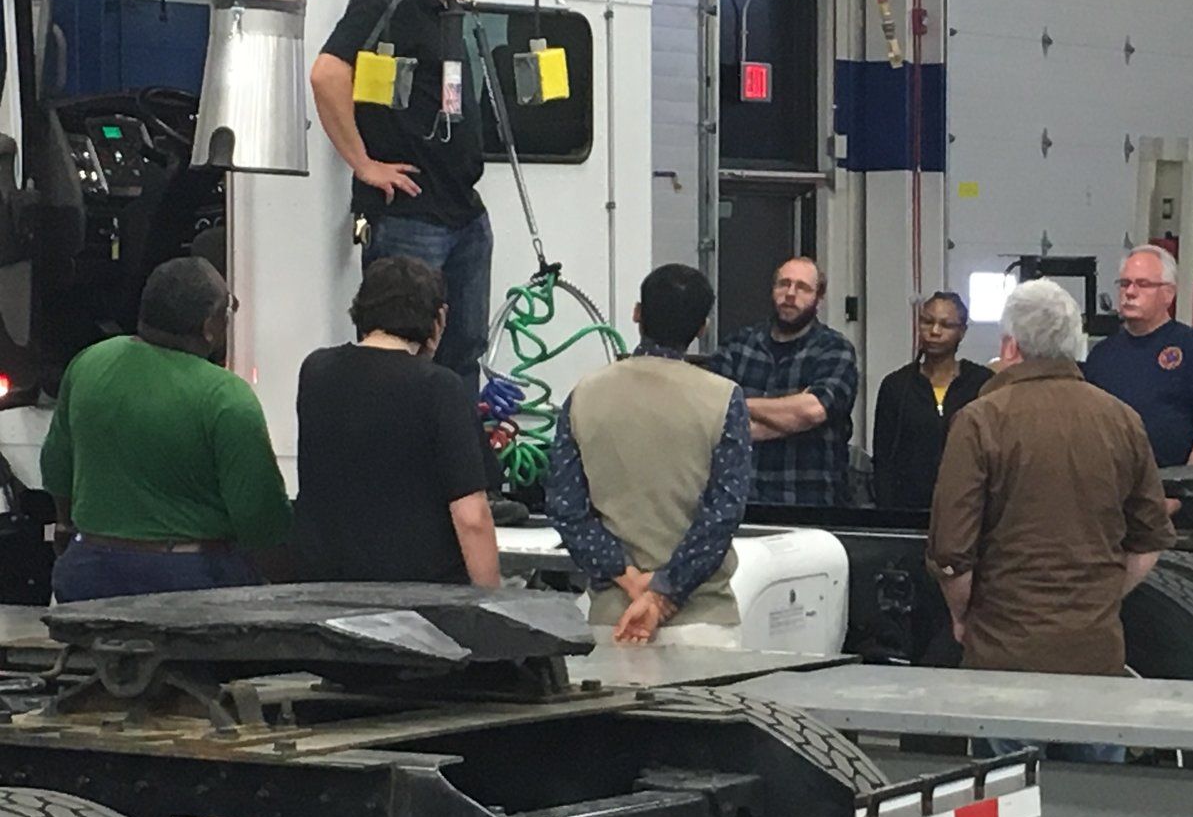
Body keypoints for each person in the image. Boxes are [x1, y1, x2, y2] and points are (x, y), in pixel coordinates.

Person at [927, 278, 1176, 817]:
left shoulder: (982, 420)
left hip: (1002, 656)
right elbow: (1150, 542)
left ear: (1010, 346)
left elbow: (952, 551)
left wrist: (966, 615)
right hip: (1094, 656)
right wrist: (1098, 597)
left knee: (998, 813)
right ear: (1076, 344)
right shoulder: (1120, 418)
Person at [311, 0, 503, 393]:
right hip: (409, 216)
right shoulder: (386, 1)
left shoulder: (449, 13)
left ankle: (454, 450)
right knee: (397, 354)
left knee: (463, 353)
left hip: (463, 212)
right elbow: (328, 74)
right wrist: (363, 164)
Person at [41, 258, 290, 601]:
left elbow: (56, 465)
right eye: (227, 309)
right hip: (191, 582)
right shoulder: (225, 397)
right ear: (208, 326)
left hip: (89, 571)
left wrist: (66, 525)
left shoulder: (89, 364)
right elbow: (260, 517)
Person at [549, 264, 750, 645]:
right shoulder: (725, 399)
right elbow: (722, 515)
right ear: (702, 327)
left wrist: (627, 576)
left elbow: (567, 508)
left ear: (637, 313)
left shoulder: (583, 395)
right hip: (701, 623)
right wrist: (661, 595)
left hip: (613, 618)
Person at [292, 257, 500, 587]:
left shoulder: (316, 371)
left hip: (328, 591)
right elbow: (471, 516)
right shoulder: (440, 387)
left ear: (361, 310)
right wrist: (493, 607)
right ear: (439, 319)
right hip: (420, 600)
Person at [708, 257, 859, 506]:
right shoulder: (737, 346)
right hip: (741, 500)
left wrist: (737, 403)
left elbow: (813, 411)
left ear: (818, 299)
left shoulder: (835, 349)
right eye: (784, 284)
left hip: (809, 500)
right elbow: (712, 414)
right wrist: (792, 417)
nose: (790, 294)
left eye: (802, 288)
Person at [1082, 245, 1193, 469]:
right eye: (1125, 283)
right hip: (1113, 489)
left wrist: (1184, 488)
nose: (1130, 292)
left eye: (1143, 284)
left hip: (1173, 487)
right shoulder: (1101, 356)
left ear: (1168, 293)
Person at [871, 292, 994, 509]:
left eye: (946, 325)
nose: (935, 331)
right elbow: (883, 461)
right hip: (907, 509)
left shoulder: (981, 383)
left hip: (969, 507)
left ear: (962, 331)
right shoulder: (896, 385)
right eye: (927, 322)